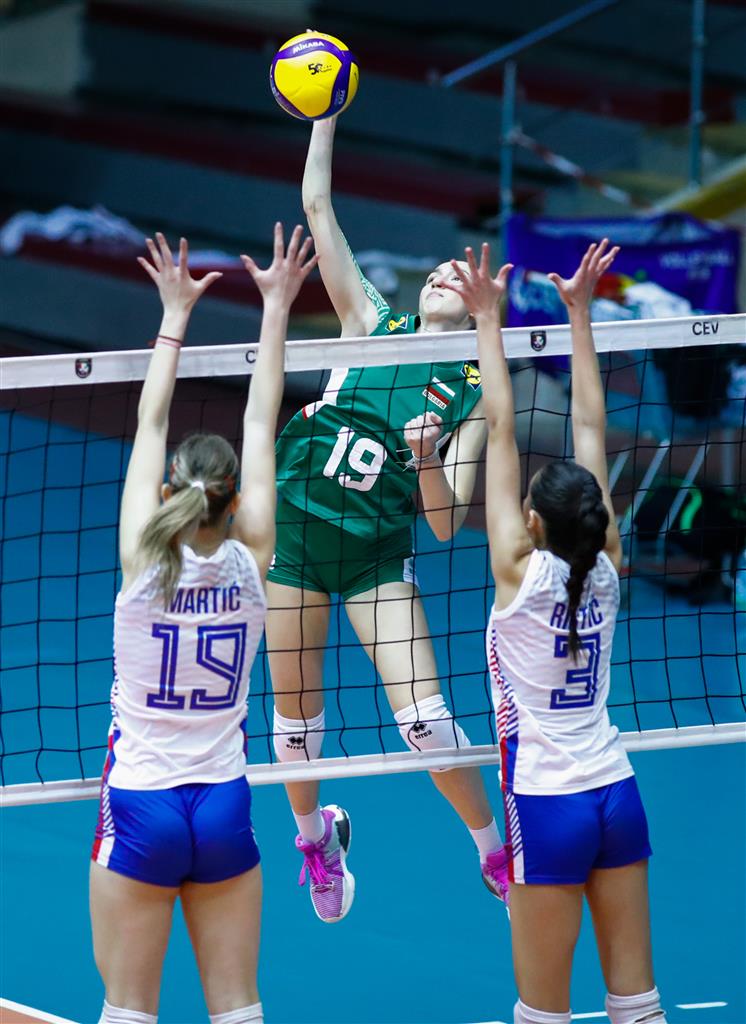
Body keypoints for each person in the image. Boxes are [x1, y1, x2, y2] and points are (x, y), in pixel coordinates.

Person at [265, 115, 507, 925]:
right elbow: (318, 205)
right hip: (295, 544)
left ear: (477, 307)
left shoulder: (475, 395)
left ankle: (494, 853)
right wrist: (325, 118)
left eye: (455, 275)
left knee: (427, 724)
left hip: (376, 558)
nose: (439, 274)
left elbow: (443, 524)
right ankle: (317, 841)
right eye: (434, 269)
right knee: (294, 731)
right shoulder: (370, 323)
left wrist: (429, 458)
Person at [90, 224, 318, 1024]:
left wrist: (174, 314)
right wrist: (277, 308)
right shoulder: (255, 559)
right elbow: (261, 421)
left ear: (170, 494)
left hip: (142, 801)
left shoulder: (141, 561)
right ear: (234, 502)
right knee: (237, 1008)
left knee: (128, 1009)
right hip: (222, 801)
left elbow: (149, 424)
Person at [443, 238, 667, 1024]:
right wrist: (580, 315)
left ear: (532, 521)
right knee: (639, 1005)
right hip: (616, 790)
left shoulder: (517, 572)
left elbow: (501, 430)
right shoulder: (609, 563)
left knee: (543, 1014)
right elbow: (592, 427)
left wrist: (487, 321)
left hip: (547, 804)